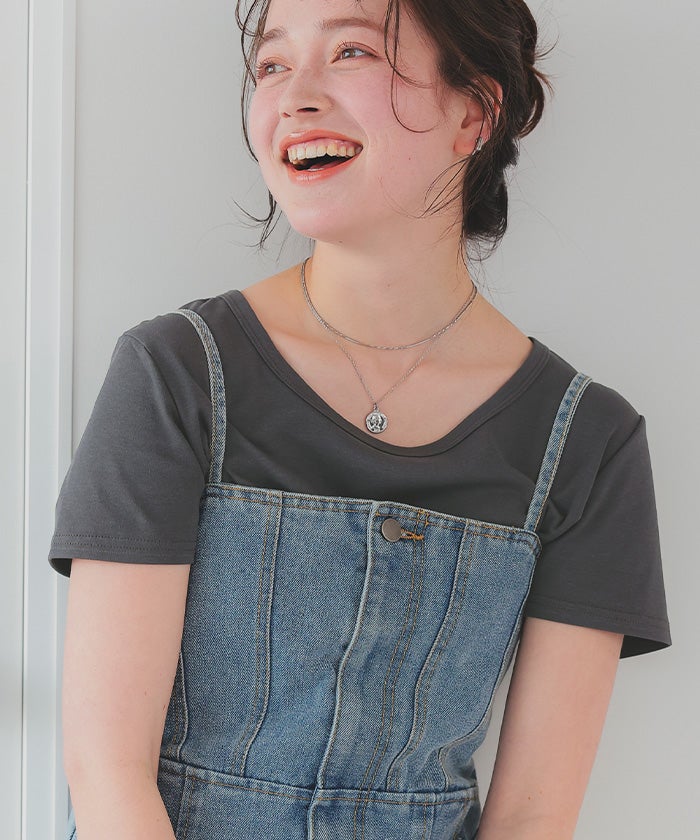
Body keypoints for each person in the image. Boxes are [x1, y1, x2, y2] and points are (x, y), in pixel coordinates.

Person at [49, 0, 672, 838]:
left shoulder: (588, 441)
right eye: (272, 64)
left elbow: (532, 817)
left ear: (475, 115)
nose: (294, 96)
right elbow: (107, 771)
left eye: (350, 52)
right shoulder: (178, 372)